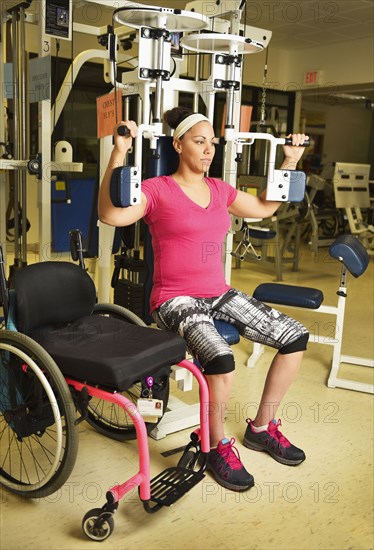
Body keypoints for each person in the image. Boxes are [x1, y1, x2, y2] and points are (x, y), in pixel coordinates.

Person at [98, 107, 310, 492]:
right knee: (221, 359)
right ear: (178, 144)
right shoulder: (157, 189)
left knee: (295, 336)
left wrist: (289, 161)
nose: (208, 149)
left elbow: (264, 209)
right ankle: (214, 447)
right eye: (199, 141)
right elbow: (110, 214)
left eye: (211, 143)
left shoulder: (220, 190)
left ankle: (262, 427)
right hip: (174, 299)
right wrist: (119, 153)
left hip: (219, 292)